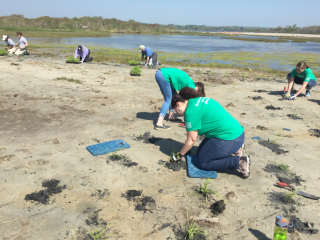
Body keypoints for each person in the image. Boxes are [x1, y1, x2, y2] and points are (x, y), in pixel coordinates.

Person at [170, 87, 250, 179]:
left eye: (177, 112)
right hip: (238, 132)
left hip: (229, 138)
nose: (179, 114)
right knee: (200, 153)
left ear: (178, 104)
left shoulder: (190, 112)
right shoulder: (198, 100)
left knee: (202, 163)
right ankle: (237, 148)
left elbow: (191, 141)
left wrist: (179, 155)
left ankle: (240, 161)